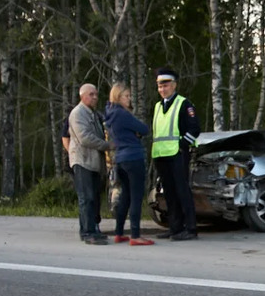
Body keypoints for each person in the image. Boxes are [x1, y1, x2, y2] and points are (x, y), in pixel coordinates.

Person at [150, 67, 201, 241]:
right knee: (169, 193)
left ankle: (191, 228)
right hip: (161, 155)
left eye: (166, 85)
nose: (162, 90)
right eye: (159, 86)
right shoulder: (157, 106)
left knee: (182, 191)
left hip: (177, 154)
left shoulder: (183, 103)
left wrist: (182, 145)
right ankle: (175, 227)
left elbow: (195, 128)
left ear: (174, 85)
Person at [104, 83, 154, 246]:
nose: (129, 99)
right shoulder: (122, 114)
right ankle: (135, 234)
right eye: (126, 96)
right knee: (136, 196)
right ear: (118, 97)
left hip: (120, 157)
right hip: (133, 156)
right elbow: (144, 129)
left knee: (125, 195)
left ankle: (119, 232)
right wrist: (137, 131)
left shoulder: (110, 114)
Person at [69, 83, 114, 245]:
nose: (95, 97)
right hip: (83, 161)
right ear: (82, 96)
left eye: (96, 94)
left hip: (94, 163)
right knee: (86, 198)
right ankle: (87, 232)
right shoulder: (78, 113)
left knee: (94, 198)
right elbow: (85, 138)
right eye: (91, 94)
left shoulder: (94, 114)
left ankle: (94, 228)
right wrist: (107, 145)